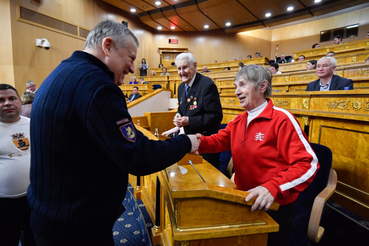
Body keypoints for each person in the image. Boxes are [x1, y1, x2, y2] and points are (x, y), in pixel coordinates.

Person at [27, 20, 200, 246]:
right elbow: (137, 156)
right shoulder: (99, 86)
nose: (132, 68)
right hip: (78, 227)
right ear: (107, 46)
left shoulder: (59, 72)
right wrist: (185, 143)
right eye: (130, 58)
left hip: (49, 214)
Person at [197, 65, 319, 246]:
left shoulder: (282, 119)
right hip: (243, 200)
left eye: (242, 85)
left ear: (262, 87)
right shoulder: (238, 120)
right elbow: (217, 142)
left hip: (274, 206)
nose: (237, 92)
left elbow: (308, 164)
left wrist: (273, 187)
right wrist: (193, 141)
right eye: (235, 86)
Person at [164, 52, 223, 168]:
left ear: (195, 66)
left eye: (185, 67)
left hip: (206, 145)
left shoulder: (207, 85)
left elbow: (216, 116)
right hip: (189, 143)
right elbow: (182, 108)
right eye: (179, 69)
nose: (182, 72)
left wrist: (189, 121)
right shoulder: (181, 87)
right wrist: (178, 114)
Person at [0, 84, 36, 246]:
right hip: (4, 202)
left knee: (33, 236)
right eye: (1, 100)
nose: (7, 103)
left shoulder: (32, 123)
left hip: (34, 195)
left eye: (12, 98)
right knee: (7, 239)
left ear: (20, 101)